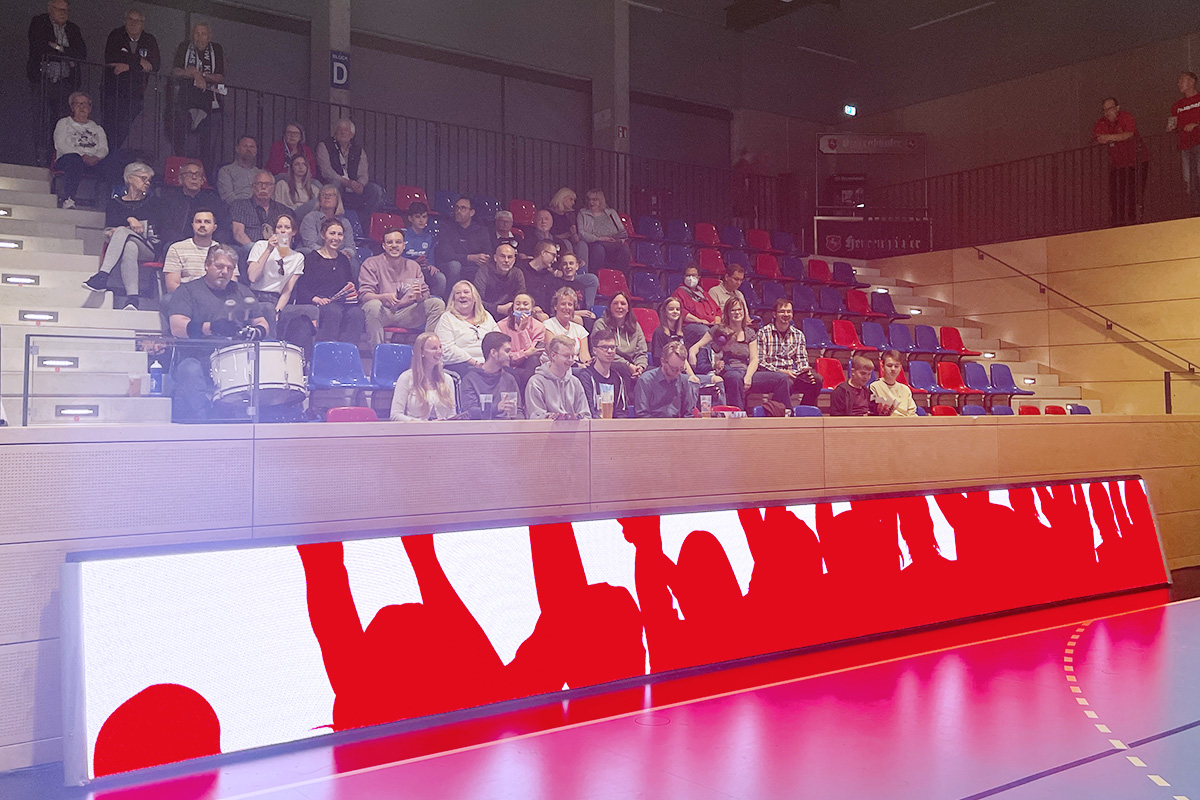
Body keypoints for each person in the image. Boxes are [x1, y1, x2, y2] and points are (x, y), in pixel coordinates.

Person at [167, 244, 270, 422]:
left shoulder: (242, 291)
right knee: (189, 370)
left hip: (236, 360)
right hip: (198, 358)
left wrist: (257, 332)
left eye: (229, 268)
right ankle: (202, 423)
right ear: (207, 265)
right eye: (219, 266)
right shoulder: (187, 290)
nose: (224, 272)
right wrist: (211, 328)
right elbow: (177, 327)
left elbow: (262, 322)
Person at [82, 161, 161, 309]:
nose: (147, 183)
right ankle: (132, 299)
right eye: (143, 178)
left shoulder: (153, 203)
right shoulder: (114, 203)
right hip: (127, 247)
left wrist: (128, 224)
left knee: (121, 231)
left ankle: (103, 275)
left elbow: (153, 230)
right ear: (130, 178)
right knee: (130, 247)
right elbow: (108, 231)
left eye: (149, 180)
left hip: (149, 247)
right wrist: (129, 224)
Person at [359, 227, 445, 347]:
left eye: (398, 242)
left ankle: (427, 349)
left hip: (407, 313)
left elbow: (425, 295)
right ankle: (377, 351)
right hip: (383, 312)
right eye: (390, 242)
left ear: (404, 245)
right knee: (373, 305)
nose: (394, 245)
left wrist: (419, 296)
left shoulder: (413, 266)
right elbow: (364, 295)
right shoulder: (371, 263)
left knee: (437, 304)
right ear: (384, 246)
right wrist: (383, 297)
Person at [246, 211, 317, 350]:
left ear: (293, 231)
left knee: (311, 311)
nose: (283, 230)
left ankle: (304, 356)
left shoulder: (297, 257)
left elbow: (287, 290)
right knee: (267, 308)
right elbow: (252, 277)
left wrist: (278, 311)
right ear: (275, 230)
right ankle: (270, 350)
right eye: (279, 227)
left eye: (287, 227)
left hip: (276, 299)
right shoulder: (261, 246)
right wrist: (269, 250)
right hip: (255, 296)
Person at [28, 0, 86, 167]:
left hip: (65, 83)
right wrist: (67, 55)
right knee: (41, 121)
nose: (62, 13)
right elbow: (39, 48)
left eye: (65, 10)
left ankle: (54, 160)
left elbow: (81, 54)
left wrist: (58, 48)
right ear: (50, 9)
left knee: (60, 123)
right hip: (43, 80)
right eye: (59, 9)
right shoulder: (39, 22)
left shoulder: (73, 29)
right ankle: (39, 160)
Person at [294, 217, 365, 347]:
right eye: (332, 233)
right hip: (320, 302)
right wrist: (316, 299)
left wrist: (352, 292)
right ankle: (326, 350)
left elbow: (349, 284)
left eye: (340, 234)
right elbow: (302, 288)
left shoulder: (343, 260)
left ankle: (347, 351)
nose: (336, 238)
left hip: (341, 302)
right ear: (323, 235)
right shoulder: (311, 258)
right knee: (333, 311)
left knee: (357, 313)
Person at [169, 22, 225, 175]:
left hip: (211, 105)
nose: (200, 37)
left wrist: (201, 75)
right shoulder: (184, 47)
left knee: (208, 149)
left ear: (209, 37)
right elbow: (175, 71)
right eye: (197, 33)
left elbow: (219, 77)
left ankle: (204, 180)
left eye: (203, 34)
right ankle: (185, 177)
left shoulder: (216, 49)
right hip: (186, 103)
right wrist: (192, 73)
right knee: (186, 146)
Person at [102, 8, 160, 153]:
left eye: (137, 21)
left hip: (136, 93)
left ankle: (114, 155)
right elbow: (111, 57)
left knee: (125, 128)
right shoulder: (116, 35)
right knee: (110, 128)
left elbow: (155, 64)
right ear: (125, 22)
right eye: (130, 20)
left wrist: (127, 65)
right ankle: (108, 157)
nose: (134, 23)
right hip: (113, 92)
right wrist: (139, 61)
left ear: (143, 24)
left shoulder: (149, 40)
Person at [688, 297, 758, 409]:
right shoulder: (719, 330)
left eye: (739, 309)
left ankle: (782, 413)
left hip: (746, 371)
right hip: (728, 370)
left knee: (781, 379)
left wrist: (748, 376)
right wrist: (692, 354)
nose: (737, 312)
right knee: (735, 378)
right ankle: (737, 413)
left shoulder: (750, 332)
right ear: (727, 313)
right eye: (733, 310)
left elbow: (754, 359)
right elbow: (697, 346)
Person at [756, 298, 823, 407]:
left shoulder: (798, 334)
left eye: (789, 311)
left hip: (793, 374)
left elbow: (802, 359)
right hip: (773, 374)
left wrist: (804, 372)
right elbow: (760, 362)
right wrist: (782, 372)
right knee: (786, 381)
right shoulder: (763, 333)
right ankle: (781, 410)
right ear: (774, 314)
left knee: (816, 380)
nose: (786, 314)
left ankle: (804, 410)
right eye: (782, 311)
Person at [1093, 97, 1148, 226]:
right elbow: (1098, 138)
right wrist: (1113, 138)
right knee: (1116, 196)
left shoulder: (1125, 117)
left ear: (1117, 108)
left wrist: (1110, 137)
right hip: (1118, 165)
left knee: (1133, 194)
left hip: (1137, 162)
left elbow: (1129, 134)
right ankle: (1118, 224)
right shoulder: (1102, 122)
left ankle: (1134, 222)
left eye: (1110, 108)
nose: (1107, 112)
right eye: (1105, 110)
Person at [315, 118, 384, 216]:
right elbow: (326, 170)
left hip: (353, 188)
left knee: (375, 190)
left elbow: (363, 173)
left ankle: (365, 220)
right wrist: (345, 182)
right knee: (335, 185)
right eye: (340, 130)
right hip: (337, 185)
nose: (342, 132)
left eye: (346, 130)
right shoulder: (324, 146)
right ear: (335, 133)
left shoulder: (359, 150)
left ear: (351, 135)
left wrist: (360, 185)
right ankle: (333, 218)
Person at [52, 91, 108, 209]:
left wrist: (96, 157)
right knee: (75, 160)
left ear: (90, 108)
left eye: (85, 104)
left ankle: (111, 202)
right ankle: (69, 199)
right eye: (78, 104)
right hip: (68, 159)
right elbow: (60, 144)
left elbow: (104, 148)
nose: (82, 107)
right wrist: (82, 155)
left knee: (112, 162)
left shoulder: (97, 128)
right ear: (72, 107)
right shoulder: (64, 123)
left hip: (93, 161)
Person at [435, 280, 500, 378]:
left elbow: (498, 340)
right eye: (458, 293)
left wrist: (492, 362)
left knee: (511, 374)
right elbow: (446, 348)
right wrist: (474, 362)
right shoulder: (447, 318)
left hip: (488, 362)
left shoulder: (486, 315)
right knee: (476, 376)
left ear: (474, 298)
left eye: (466, 292)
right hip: (461, 364)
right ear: (453, 299)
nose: (462, 296)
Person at [159, 159, 230, 245]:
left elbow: (224, 227)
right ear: (181, 179)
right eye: (189, 174)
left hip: (209, 244)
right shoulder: (169, 200)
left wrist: (211, 243)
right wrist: (184, 244)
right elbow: (165, 228)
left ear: (202, 180)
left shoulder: (213, 201)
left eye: (198, 174)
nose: (194, 177)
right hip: (178, 244)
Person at [390, 332, 458, 422]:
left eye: (440, 347)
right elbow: (395, 415)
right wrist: (424, 424)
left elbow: (451, 415)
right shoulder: (405, 378)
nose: (439, 352)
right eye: (434, 348)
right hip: (415, 429)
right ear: (421, 352)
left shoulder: (447, 379)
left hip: (442, 430)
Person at [229, 171, 289, 264]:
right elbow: (238, 233)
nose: (263, 187)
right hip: (249, 249)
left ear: (274, 187)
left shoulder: (282, 209)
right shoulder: (240, 205)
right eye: (259, 183)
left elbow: (286, 235)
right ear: (253, 187)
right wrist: (258, 251)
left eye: (268, 184)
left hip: (275, 250)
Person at [461, 331, 523, 420]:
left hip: (507, 426)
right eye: (507, 351)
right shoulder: (470, 379)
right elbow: (470, 412)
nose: (511, 354)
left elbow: (518, 411)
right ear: (493, 353)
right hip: (481, 427)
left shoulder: (509, 378)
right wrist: (496, 408)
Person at [526, 335, 590, 420]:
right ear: (553, 355)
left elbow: (586, 415)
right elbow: (536, 417)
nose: (571, 360)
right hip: (547, 429)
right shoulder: (536, 383)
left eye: (573, 356)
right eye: (566, 356)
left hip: (574, 428)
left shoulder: (575, 382)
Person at [591, 291, 647, 386]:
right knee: (622, 368)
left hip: (633, 365)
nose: (619, 306)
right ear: (610, 307)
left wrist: (640, 367)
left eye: (623, 303)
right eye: (615, 303)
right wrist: (628, 366)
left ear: (628, 308)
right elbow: (603, 351)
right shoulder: (601, 324)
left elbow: (642, 352)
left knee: (651, 374)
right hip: (610, 362)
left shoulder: (635, 326)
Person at [434, 196, 493, 286]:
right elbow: (447, 255)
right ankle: (452, 294)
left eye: (463, 208)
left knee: (487, 267)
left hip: (473, 267)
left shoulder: (481, 230)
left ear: (472, 212)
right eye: (457, 208)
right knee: (455, 266)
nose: (458, 211)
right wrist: (471, 258)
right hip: (450, 266)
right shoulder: (446, 227)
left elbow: (488, 252)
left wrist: (484, 258)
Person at [634, 340, 699, 418]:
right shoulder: (646, 381)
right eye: (674, 369)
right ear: (663, 361)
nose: (678, 373)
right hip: (652, 424)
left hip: (677, 424)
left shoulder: (684, 381)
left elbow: (688, 415)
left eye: (681, 369)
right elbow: (642, 415)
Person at [495, 292, 546, 388]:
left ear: (532, 308)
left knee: (533, 360)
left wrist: (523, 330)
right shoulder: (501, 325)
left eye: (525, 304)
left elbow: (533, 353)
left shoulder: (539, 327)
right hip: (508, 365)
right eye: (518, 304)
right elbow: (505, 356)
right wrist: (525, 354)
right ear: (513, 307)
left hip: (529, 365)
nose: (521, 307)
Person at [162, 207, 217, 293]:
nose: (202, 225)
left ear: (214, 227)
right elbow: (172, 286)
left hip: (215, 296)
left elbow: (232, 282)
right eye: (198, 221)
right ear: (192, 225)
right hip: (185, 296)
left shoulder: (223, 251)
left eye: (207, 222)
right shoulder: (176, 248)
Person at [578, 327, 630, 418]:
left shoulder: (618, 378)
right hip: (593, 424)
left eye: (612, 347)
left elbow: (622, 411)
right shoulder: (586, 376)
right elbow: (589, 410)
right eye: (604, 347)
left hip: (613, 425)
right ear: (594, 350)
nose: (609, 351)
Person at [1169, 71, 1200, 215]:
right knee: (1189, 180)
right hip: (1185, 146)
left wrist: (1196, 124)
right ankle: (1196, 211)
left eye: (1182, 80)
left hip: (1198, 143)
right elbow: (1172, 124)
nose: (1179, 84)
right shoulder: (1177, 105)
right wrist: (1171, 127)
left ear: (1192, 82)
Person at [299, 184, 357, 261]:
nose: (327, 197)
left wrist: (345, 253)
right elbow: (310, 243)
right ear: (319, 200)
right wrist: (328, 253)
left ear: (337, 200)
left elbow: (350, 247)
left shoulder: (344, 222)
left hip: (339, 257)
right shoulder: (310, 218)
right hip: (316, 255)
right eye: (323, 195)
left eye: (331, 195)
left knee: (352, 261)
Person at [576, 189, 630, 270]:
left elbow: (622, 232)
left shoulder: (611, 213)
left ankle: (621, 275)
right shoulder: (583, 213)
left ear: (601, 200)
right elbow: (581, 233)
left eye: (594, 200)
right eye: (589, 199)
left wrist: (618, 240)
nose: (591, 202)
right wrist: (599, 238)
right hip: (594, 242)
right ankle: (597, 274)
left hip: (613, 242)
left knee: (625, 249)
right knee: (598, 249)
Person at [401, 201, 444, 298]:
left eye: (424, 217)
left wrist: (431, 265)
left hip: (424, 270)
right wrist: (414, 263)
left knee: (440, 278)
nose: (421, 220)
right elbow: (397, 258)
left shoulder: (429, 237)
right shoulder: (402, 235)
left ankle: (433, 300)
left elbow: (430, 257)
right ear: (410, 218)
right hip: (406, 270)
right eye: (417, 217)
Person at [473, 242, 525, 320]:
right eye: (502, 256)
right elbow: (476, 301)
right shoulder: (484, 272)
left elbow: (521, 298)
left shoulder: (517, 273)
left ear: (514, 260)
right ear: (495, 258)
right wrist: (498, 309)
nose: (506, 260)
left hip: (510, 315)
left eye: (510, 257)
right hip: (485, 315)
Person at [543, 286, 591, 366]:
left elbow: (585, 356)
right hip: (554, 367)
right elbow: (553, 353)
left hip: (577, 367)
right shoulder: (548, 325)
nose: (567, 307)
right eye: (563, 304)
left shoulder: (580, 330)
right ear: (555, 306)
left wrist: (587, 364)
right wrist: (577, 365)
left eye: (570, 304)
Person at [519, 240, 561, 318]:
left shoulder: (550, 277)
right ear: (543, 253)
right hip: (522, 313)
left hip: (543, 316)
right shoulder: (520, 269)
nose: (555, 260)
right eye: (553, 255)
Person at [870, 349, 918, 417]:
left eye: (896, 366)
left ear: (900, 367)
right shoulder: (874, 387)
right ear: (882, 366)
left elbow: (912, 413)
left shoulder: (905, 389)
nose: (893, 369)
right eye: (889, 365)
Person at [272, 153, 321, 220]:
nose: (301, 167)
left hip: (307, 218)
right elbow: (278, 204)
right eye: (297, 164)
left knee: (319, 200)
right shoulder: (282, 184)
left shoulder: (313, 188)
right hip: (288, 215)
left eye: (304, 164)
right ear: (292, 167)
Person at [547, 188, 588, 267]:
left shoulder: (570, 215)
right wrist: (567, 234)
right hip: (557, 243)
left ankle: (582, 270)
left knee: (582, 245)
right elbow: (549, 235)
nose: (573, 203)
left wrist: (574, 234)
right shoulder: (550, 213)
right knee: (566, 243)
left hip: (570, 242)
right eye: (571, 199)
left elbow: (575, 238)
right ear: (562, 198)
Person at [673, 264, 721, 329]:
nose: (691, 278)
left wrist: (717, 319)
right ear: (683, 277)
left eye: (693, 275)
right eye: (688, 275)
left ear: (698, 277)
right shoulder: (679, 293)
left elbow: (717, 309)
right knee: (705, 330)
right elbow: (681, 312)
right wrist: (699, 321)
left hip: (710, 324)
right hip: (692, 325)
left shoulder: (703, 293)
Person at [217, 136, 259, 205]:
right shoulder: (226, 171)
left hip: (260, 209)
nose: (248, 149)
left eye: (252, 147)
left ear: (256, 151)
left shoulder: (261, 173)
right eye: (245, 146)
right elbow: (228, 197)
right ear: (237, 149)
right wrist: (245, 208)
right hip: (236, 209)